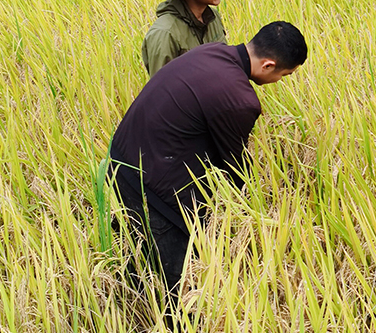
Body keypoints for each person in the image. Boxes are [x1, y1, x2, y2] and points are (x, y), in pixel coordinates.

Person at [109, 21, 308, 293]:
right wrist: (256, 207)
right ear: (268, 65)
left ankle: (129, 301)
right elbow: (233, 165)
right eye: (284, 75)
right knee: (175, 281)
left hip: (120, 159)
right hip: (152, 184)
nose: (279, 82)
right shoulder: (241, 99)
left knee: (133, 254)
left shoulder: (212, 52)